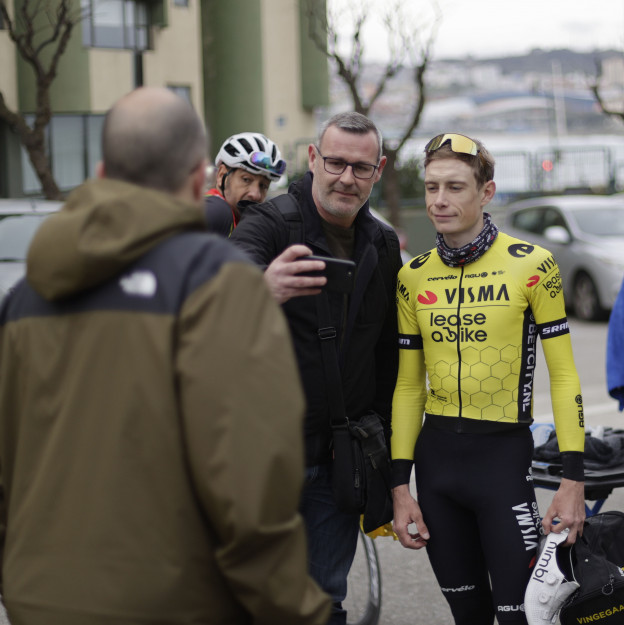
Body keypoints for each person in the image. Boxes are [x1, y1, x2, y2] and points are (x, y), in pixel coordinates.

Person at [0, 87, 330, 625]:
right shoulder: (221, 286)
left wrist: (18, 575)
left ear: (104, 170)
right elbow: (254, 483)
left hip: (43, 601)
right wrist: (293, 609)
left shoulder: (25, 298)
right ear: (200, 173)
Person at [390, 133, 587, 625]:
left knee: (522, 616)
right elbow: (409, 387)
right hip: (437, 468)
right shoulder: (412, 276)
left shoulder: (533, 265)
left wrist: (572, 479)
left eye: (455, 187)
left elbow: (563, 376)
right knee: (468, 614)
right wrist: (399, 486)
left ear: (486, 192)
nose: (439, 200)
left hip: (502, 460)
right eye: (432, 186)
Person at [230, 112, 402, 625]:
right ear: (312, 159)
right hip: (263, 456)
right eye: (335, 162)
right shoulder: (272, 222)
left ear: (378, 170)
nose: (346, 177)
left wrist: (392, 461)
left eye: (361, 167)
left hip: (340, 458)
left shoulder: (384, 243)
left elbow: (388, 357)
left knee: (324, 599)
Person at [205, 131, 286, 236]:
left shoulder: (240, 222)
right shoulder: (218, 210)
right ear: (221, 175)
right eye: (246, 180)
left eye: (263, 186)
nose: (256, 194)